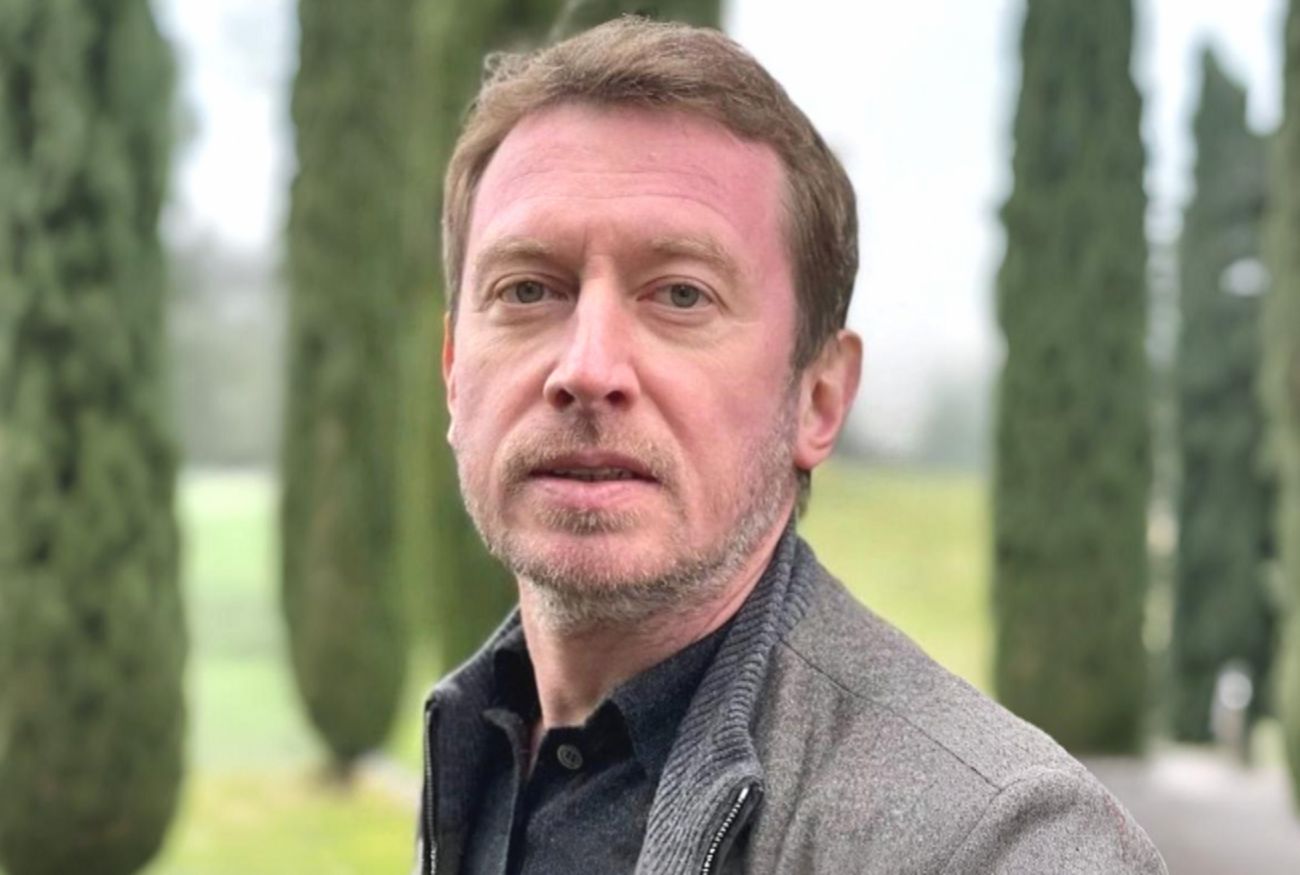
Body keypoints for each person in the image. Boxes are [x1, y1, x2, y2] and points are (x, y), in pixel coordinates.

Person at [416, 16, 1166, 875]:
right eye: (527, 290)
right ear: (453, 372)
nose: (587, 368)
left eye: (681, 295)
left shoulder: (1001, 845)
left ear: (819, 398)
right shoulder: (482, 744)